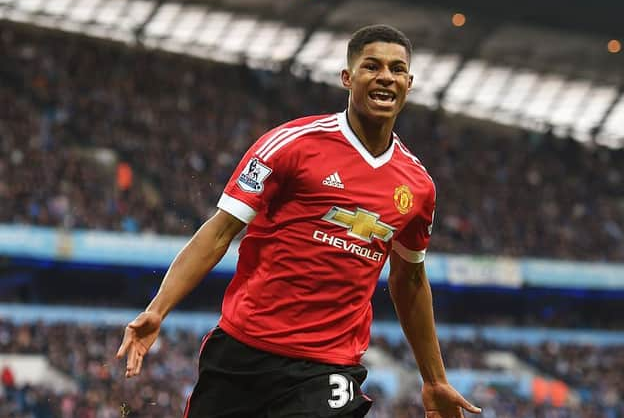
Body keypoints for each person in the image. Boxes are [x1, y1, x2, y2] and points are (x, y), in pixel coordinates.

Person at [116, 24, 482, 418]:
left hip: (329, 367)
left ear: (409, 83)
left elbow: (409, 280)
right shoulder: (292, 145)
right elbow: (220, 231)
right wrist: (158, 308)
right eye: (371, 66)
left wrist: (435, 378)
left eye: (396, 70)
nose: (385, 77)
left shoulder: (418, 186)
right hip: (244, 353)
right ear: (347, 77)